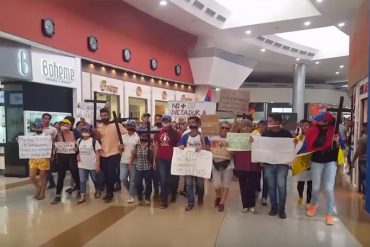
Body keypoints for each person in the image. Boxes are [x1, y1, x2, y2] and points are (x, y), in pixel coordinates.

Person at [304, 112, 344, 225]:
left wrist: (337, 141)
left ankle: (329, 214)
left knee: (328, 189)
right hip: (316, 160)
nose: (318, 122)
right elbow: (306, 146)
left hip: (331, 161)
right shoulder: (312, 130)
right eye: (318, 120)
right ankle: (313, 205)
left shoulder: (335, 131)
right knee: (316, 187)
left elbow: (342, 146)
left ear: (327, 121)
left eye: (321, 120)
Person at [262, 114, 293, 219]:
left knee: (281, 186)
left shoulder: (287, 134)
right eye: (268, 121)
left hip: (282, 164)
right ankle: (274, 208)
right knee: (271, 187)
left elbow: (291, 149)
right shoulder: (265, 133)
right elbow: (261, 148)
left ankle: (281, 210)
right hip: (268, 164)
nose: (268, 123)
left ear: (277, 122)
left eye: (270, 121)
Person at [179, 116, 210, 211]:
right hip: (189, 163)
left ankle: (200, 197)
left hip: (200, 164)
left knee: (200, 183)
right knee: (188, 184)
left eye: (193, 122)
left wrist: (202, 147)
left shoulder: (202, 136)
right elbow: (180, 146)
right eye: (190, 122)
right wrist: (181, 146)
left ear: (198, 124)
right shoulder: (185, 136)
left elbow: (208, 148)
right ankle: (190, 202)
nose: (191, 124)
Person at [96, 108, 127, 203]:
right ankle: (109, 191)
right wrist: (96, 135)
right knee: (105, 175)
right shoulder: (99, 126)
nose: (103, 117)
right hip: (102, 154)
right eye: (102, 116)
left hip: (114, 153)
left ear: (108, 115)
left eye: (105, 115)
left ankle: (110, 193)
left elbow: (126, 134)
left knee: (110, 173)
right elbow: (98, 140)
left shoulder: (116, 124)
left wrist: (121, 144)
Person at [233, 119, 261, 213]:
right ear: (241, 128)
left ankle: (252, 204)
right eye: (244, 126)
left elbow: (261, 147)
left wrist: (255, 142)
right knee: (243, 185)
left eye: (248, 126)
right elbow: (232, 149)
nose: (246, 128)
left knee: (252, 185)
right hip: (240, 163)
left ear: (251, 127)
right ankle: (245, 205)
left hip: (253, 164)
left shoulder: (256, 136)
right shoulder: (236, 137)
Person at [153, 115, 180, 209]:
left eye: (167, 120)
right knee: (163, 180)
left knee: (171, 180)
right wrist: (154, 160)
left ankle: (173, 194)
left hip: (172, 159)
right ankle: (164, 201)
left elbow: (179, 145)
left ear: (170, 121)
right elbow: (156, 146)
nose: (165, 122)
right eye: (164, 120)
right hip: (161, 159)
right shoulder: (158, 133)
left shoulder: (176, 133)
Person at [51, 119, 80, 205]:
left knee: (74, 172)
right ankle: (58, 195)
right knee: (61, 175)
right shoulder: (58, 135)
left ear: (70, 126)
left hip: (72, 155)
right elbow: (55, 146)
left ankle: (79, 189)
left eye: (67, 125)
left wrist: (77, 149)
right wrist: (55, 149)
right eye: (63, 124)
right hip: (61, 156)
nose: (65, 126)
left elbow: (80, 144)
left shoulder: (74, 134)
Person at [210, 121, 234, 212]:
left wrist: (232, 152)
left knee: (225, 184)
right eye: (222, 127)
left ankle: (222, 203)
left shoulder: (232, 138)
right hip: (215, 163)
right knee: (216, 185)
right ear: (219, 128)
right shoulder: (213, 138)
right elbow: (208, 148)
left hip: (228, 164)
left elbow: (234, 152)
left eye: (227, 128)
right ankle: (218, 195)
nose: (224, 129)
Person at [76, 126, 102, 204]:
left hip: (92, 164)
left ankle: (97, 190)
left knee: (94, 179)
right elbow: (78, 150)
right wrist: (78, 154)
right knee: (82, 180)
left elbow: (98, 153)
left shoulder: (94, 141)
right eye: (83, 130)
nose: (84, 132)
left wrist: (97, 164)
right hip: (82, 164)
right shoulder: (79, 140)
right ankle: (82, 195)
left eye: (86, 130)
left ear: (90, 132)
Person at [28, 126, 52, 200]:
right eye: (36, 127)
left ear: (42, 128)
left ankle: (42, 193)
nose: (38, 129)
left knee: (42, 176)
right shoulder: (32, 137)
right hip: (33, 158)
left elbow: (50, 146)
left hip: (44, 158)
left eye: (40, 127)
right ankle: (39, 188)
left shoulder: (46, 136)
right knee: (32, 176)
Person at [131, 133, 154, 205]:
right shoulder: (136, 145)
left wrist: (152, 151)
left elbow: (152, 157)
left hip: (148, 167)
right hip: (139, 167)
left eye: (144, 136)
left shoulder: (150, 146)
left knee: (148, 184)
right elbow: (134, 155)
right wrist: (130, 163)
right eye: (141, 136)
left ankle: (147, 198)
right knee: (138, 183)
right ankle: (140, 198)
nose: (143, 137)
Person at [294, 120, 312, 208]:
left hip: (311, 162)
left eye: (307, 125)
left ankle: (308, 201)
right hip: (301, 162)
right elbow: (294, 149)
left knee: (310, 182)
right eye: (303, 125)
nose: (305, 127)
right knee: (300, 182)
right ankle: (300, 196)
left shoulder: (313, 137)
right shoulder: (298, 138)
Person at [120, 120, 140, 203]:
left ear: (135, 126)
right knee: (122, 178)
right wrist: (120, 148)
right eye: (128, 126)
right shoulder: (123, 136)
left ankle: (131, 195)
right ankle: (132, 190)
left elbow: (138, 150)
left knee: (132, 179)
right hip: (123, 160)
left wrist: (132, 159)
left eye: (132, 125)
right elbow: (119, 149)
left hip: (134, 161)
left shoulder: (137, 137)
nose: (130, 127)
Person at [252, 120, 269, 206]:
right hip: (257, 160)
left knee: (266, 179)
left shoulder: (270, 134)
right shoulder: (254, 133)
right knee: (256, 177)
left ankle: (264, 197)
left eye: (264, 125)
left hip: (266, 161)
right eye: (261, 125)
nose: (262, 127)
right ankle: (257, 190)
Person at [349, 123, 367, 197]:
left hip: (363, 160)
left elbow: (358, 151)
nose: (361, 129)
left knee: (364, 178)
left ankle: (366, 195)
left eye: (362, 127)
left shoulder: (362, 139)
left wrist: (353, 161)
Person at [40, 113, 58, 189]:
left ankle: (43, 186)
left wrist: (53, 154)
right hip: (39, 152)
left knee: (47, 169)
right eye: (45, 118)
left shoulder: (53, 130)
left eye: (48, 119)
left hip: (49, 152)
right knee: (44, 169)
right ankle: (51, 183)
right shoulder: (38, 128)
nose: (47, 120)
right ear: (42, 119)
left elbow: (56, 142)